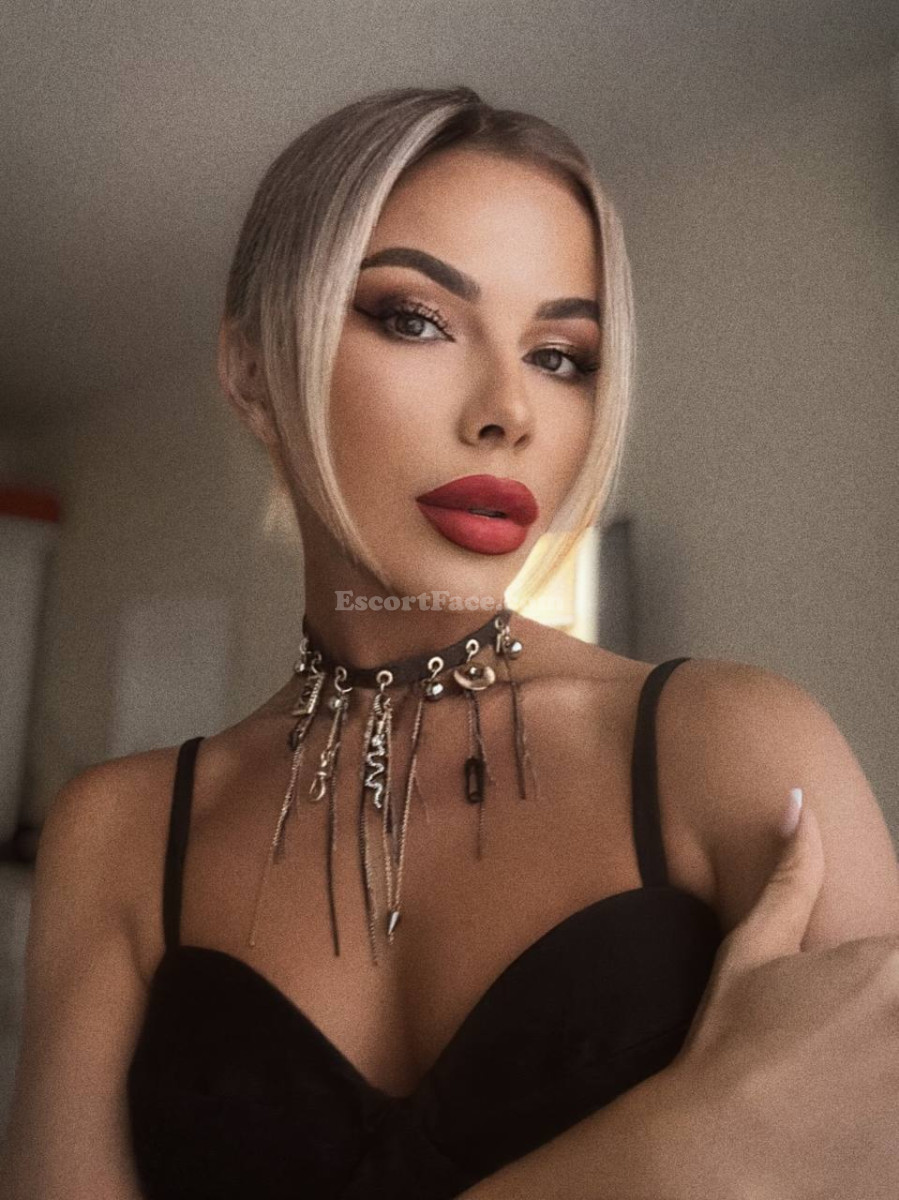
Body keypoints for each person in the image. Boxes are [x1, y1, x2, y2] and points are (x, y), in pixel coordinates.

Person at [2, 85, 898, 1200]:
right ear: (252, 371)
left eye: (560, 355)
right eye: (416, 319)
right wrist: (663, 1159)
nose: (507, 410)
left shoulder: (734, 751)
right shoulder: (120, 836)